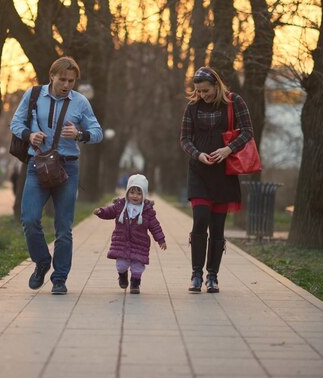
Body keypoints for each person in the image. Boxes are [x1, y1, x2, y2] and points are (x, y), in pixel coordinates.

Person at [10, 56, 103, 295]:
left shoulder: (80, 102)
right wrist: (30, 135)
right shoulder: (33, 95)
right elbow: (15, 123)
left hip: (67, 168)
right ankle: (42, 262)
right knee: (29, 219)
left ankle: (59, 278)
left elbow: (97, 132)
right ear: (51, 76)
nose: (66, 85)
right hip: (37, 165)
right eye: (62, 79)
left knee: (63, 227)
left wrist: (80, 134)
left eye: (71, 81)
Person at [179, 66, 254, 293]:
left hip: (224, 173)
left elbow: (247, 131)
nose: (203, 95)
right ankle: (195, 274)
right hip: (199, 172)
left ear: (216, 85)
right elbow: (184, 139)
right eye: (199, 91)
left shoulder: (234, 102)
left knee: (218, 227)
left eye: (206, 90)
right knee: (200, 219)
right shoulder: (192, 107)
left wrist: (228, 150)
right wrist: (198, 154)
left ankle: (213, 276)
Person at [93, 174, 167, 294]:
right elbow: (109, 212)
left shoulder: (148, 211)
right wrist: (101, 212)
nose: (135, 196)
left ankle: (135, 283)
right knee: (121, 265)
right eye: (132, 192)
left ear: (144, 195)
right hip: (122, 242)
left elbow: (155, 226)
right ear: (127, 192)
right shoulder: (120, 206)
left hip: (140, 243)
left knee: (138, 267)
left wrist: (161, 240)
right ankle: (122, 276)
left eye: (139, 193)